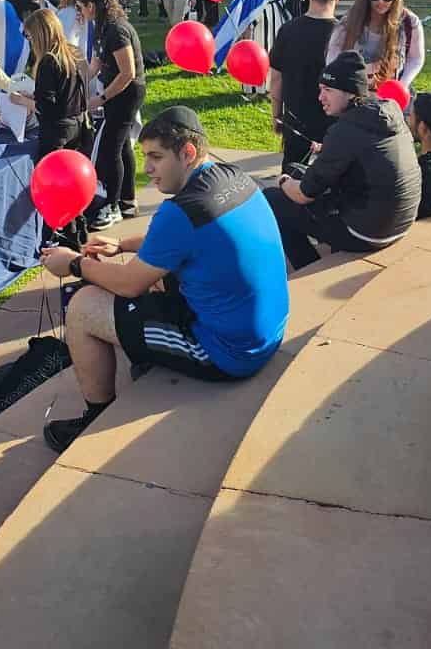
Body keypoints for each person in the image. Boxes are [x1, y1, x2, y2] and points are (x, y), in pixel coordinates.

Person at [35, 107, 288, 453]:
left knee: (83, 307)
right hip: (267, 332)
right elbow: (179, 242)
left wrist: (75, 264)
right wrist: (122, 244)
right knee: (156, 274)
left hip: (231, 354)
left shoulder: (180, 212)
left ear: (187, 153)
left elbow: (127, 284)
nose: (147, 169)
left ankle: (95, 416)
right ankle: (148, 354)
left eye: (156, 157)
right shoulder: (233, 177)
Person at [263, 51, 419, 268]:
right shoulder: (386, 112)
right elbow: (368, 156)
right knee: (298, 170)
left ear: (351, 93)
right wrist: (326, 152)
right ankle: (327, 241)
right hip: (400, 224)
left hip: (368, 233)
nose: (320, 98)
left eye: (328, 90)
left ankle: (307, 265)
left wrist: (282, 181)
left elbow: (304, 195)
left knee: (273, 198)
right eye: (320, 90)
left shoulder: (346, 129)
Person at [76, 0, 145, 229]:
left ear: (91, 6)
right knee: (123, 144)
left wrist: (101, 98)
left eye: (80, 7)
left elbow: (128, 73)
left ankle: (112, 206)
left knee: (109, 149)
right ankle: (128, 200)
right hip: (115, 91)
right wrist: (78, 83)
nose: (80, 12)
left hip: (126, 93)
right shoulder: (101, 27)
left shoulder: (116, 30)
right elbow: (94, 66)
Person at [268, 0, 341, 172]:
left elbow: (276, 79)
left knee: (292, 175)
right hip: (333, 123)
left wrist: (276, 115)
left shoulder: (288, 30)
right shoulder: (343, 34)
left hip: (296, 121)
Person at [12, 7, 91, 164]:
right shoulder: (73, 53)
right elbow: (65, 92)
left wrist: (22, 101)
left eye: (29, 36)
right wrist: (34, 95)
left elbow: (46, 107)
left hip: (57, 134)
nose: (30, 41)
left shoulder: (49, 61)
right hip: (77, 126)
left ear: (39, 35)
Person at [326, 0, 424, 88]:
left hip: (391, 97)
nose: (381, 2)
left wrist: (402, 84)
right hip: (355, 94)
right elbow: (331, 60)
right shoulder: (348, 23)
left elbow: (416, 59)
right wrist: (359, 71)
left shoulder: (409, 23)